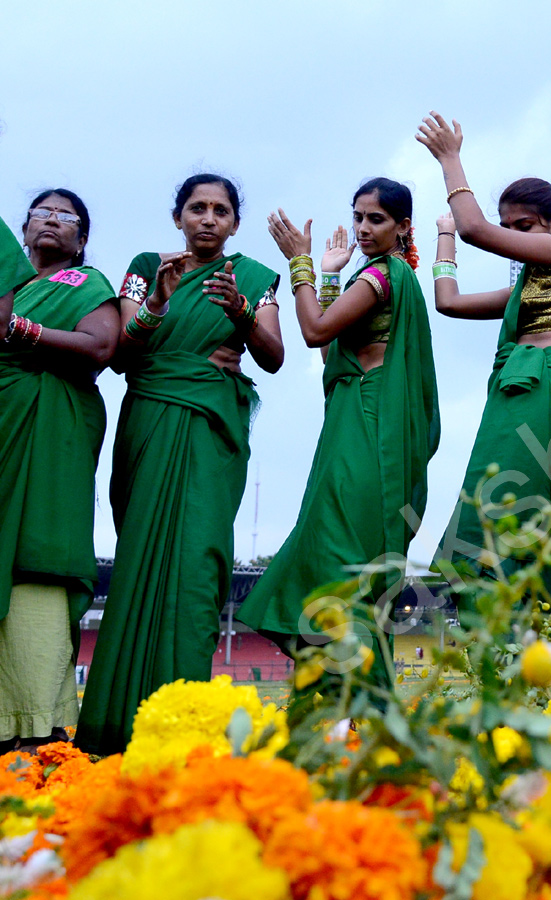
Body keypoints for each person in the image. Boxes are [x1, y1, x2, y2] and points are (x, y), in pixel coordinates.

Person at [76, 174, 283, 754]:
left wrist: (242, 313)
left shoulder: (255, 280)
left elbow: (273, 356)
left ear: (236, 223)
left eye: (221, 210)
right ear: (178, 218)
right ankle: (111, 728)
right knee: (141, 558)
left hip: (212, 426)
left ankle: (183, 724)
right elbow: (120, 354)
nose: (209, 218)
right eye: (197, 208)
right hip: (149, 421)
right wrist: (160, 305)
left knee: (198, 564)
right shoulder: (147, 267)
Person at [236, 178, 439, 688]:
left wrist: (299, 265)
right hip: (355, 420)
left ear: (403, 227)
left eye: (377, 219)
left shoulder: (382, 275)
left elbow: (313, 332)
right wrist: (328, 276)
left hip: (370, 427)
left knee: (343, 557)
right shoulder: (373, 279)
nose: (364, 228)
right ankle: (344, 700)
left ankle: (355, 699)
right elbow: (332, 353)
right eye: (359, 217)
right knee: (332, 549)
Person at [416, 113, 551, 608]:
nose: (514, 237)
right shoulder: (528, 286)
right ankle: (534, 656)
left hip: (545, 389)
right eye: (510, 229)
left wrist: (451, 161)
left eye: (523, 226)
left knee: (511, 521)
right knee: (488, 520)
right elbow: (449, 302)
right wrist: (444, 237)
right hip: (519, 390)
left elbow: (475, 226)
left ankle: (543, 650)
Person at [0, 191, 118, 752]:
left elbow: (101, 344)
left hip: (50, 437)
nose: (51, 220)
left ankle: (37, 730)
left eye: (66, 216)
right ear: (22, 231)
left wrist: (21, 330)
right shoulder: (7, 286)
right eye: (41, 213)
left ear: (81, 238)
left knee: (34, 561)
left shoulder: (85, 284)